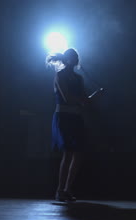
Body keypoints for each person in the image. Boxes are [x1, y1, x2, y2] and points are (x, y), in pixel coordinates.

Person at [46, 48, 88, 202]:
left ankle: (67, 189)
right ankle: (60, 190)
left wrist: (91, 98)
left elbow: (83, 100)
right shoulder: (60, 75)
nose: (77, 59)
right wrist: (83, 100)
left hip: (75, 117)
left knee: (78, 153)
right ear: (68, 59)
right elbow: (68, 98)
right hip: (63, 117)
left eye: (77, 56)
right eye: (74, 56)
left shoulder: (78, 78)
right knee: (69, 152)